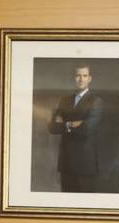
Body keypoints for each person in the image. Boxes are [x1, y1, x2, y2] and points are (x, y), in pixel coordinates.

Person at [47, 62, 105, 193]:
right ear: (74, 78)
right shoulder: (64, 101)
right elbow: (52, 127)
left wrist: (64, 123)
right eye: (78, 75)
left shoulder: (96, 101)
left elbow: (86, 129)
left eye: (84, 75)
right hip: (66, 164)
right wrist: (73, 123)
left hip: (85, 165)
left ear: (90, 78)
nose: (81, 79)